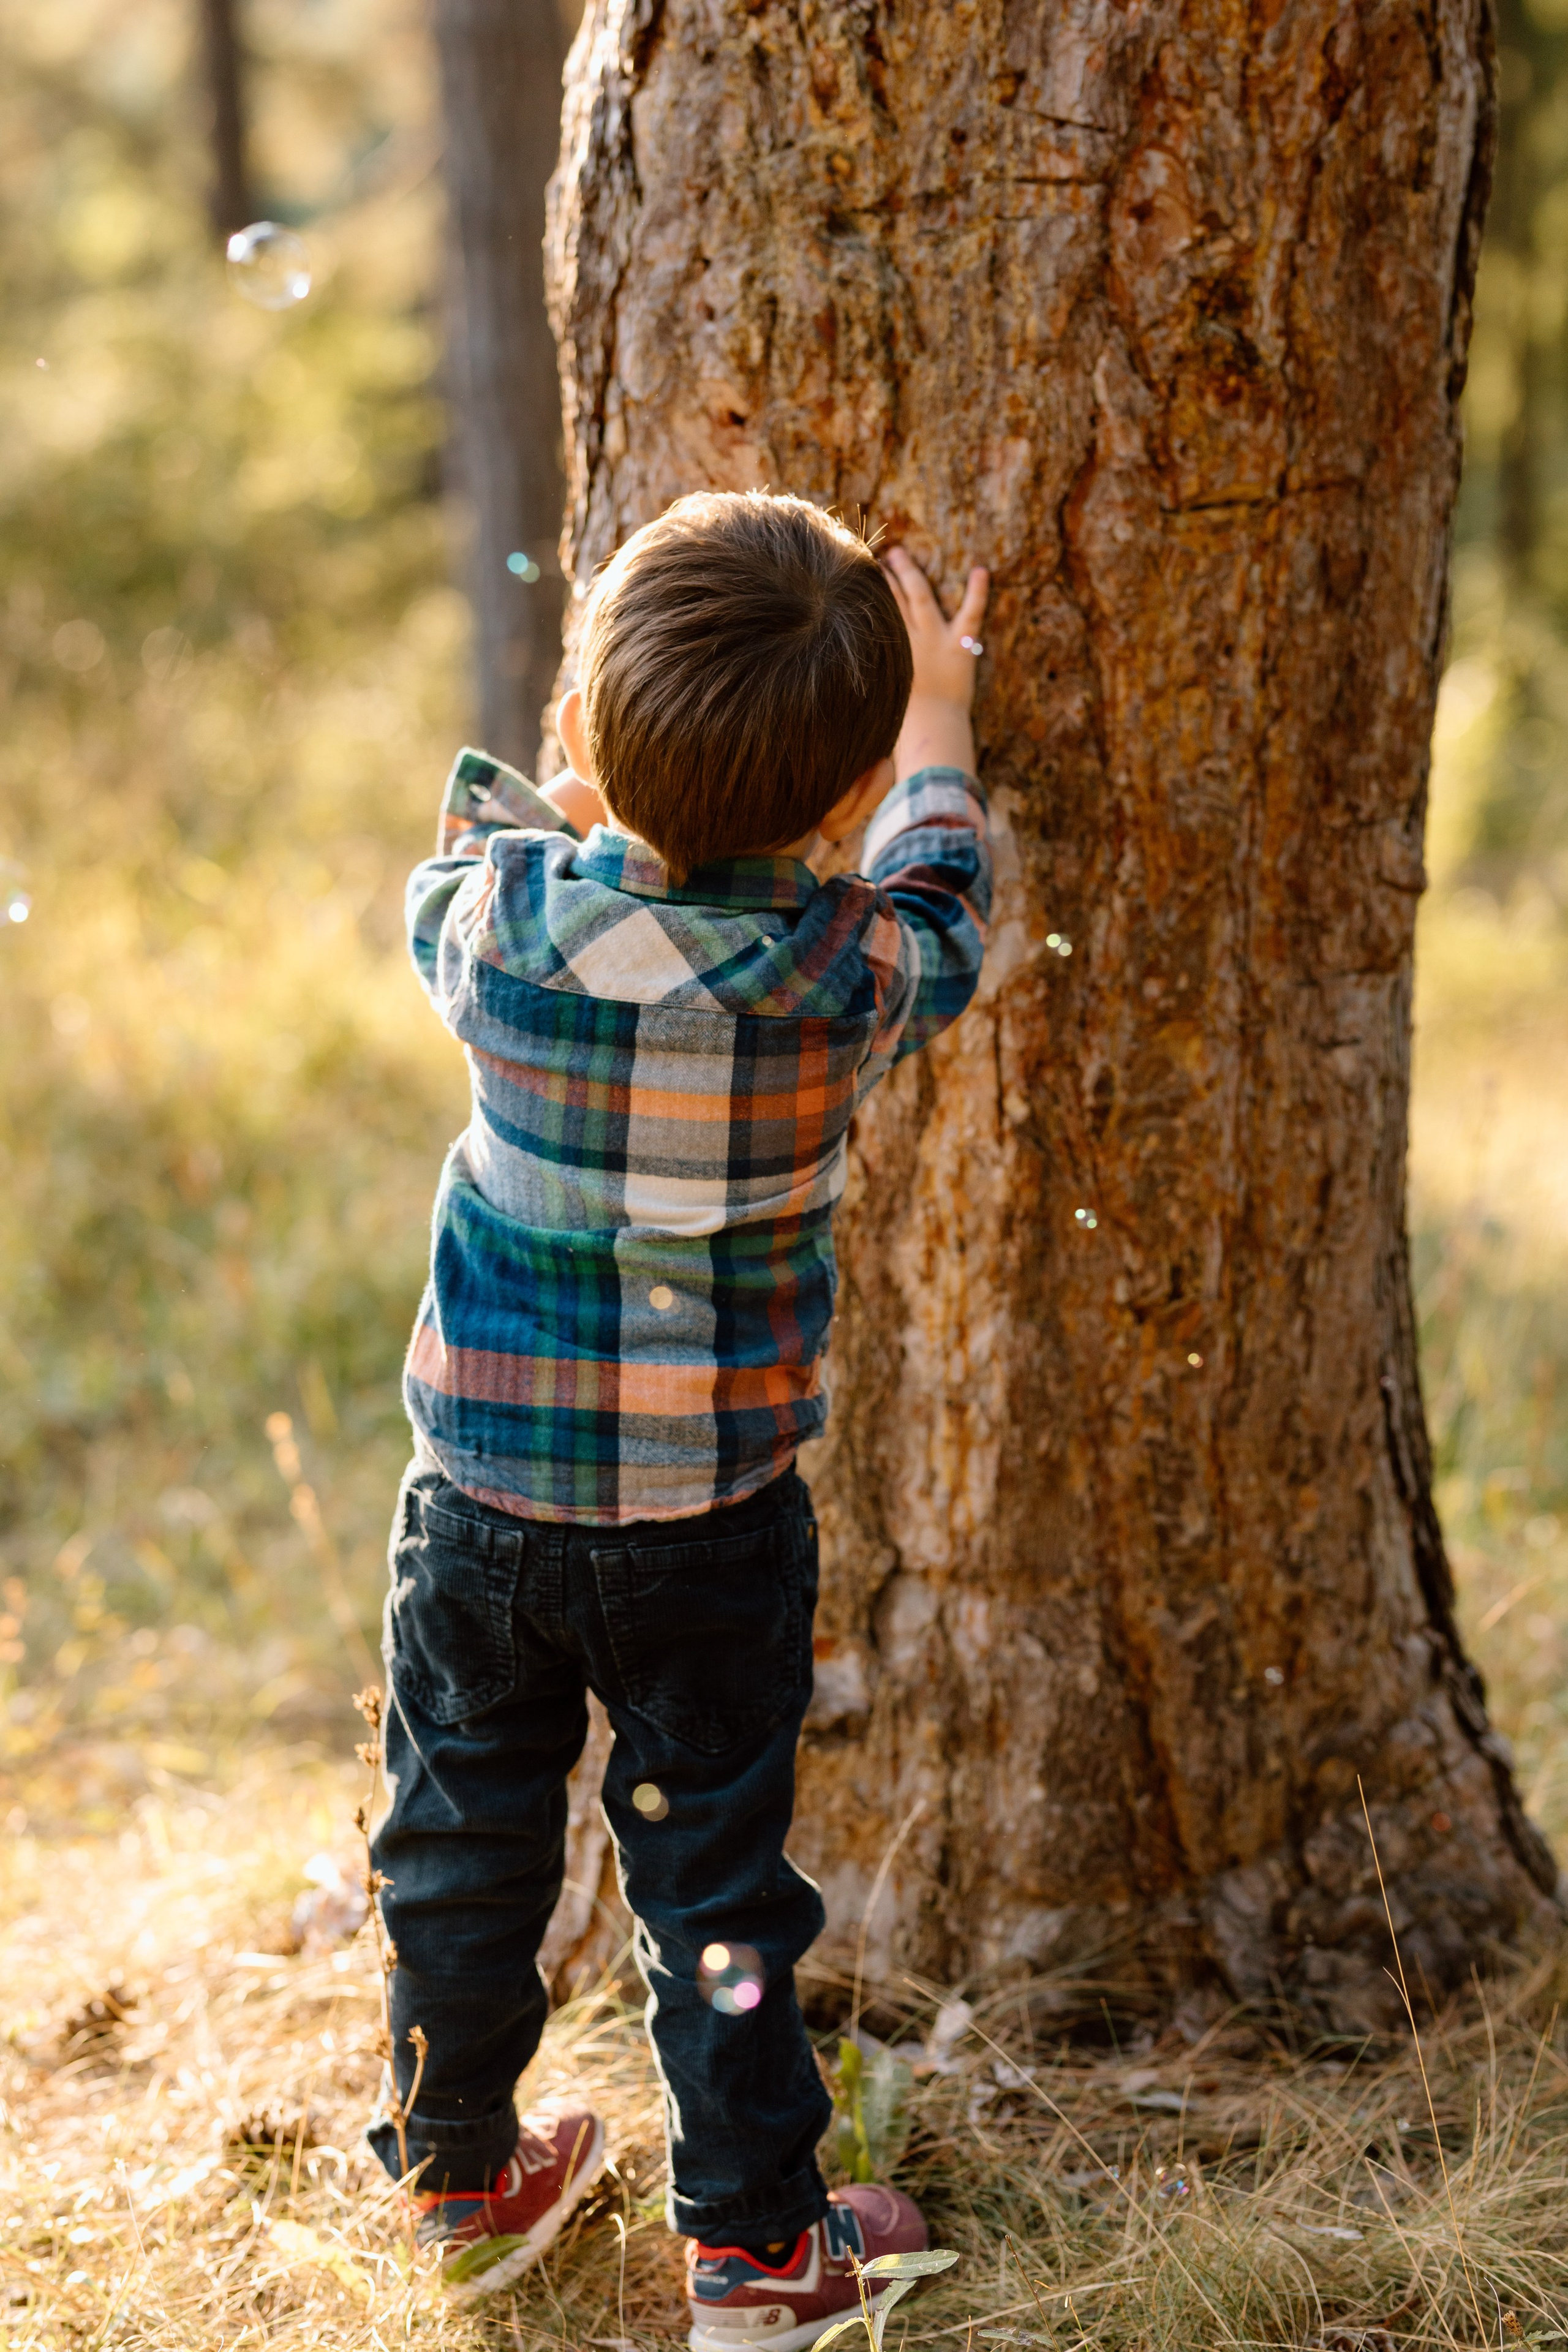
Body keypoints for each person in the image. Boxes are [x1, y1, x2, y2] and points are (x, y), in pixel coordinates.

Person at [371, 489, 990, 2349]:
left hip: (477, 1511)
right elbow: (949, 897)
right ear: (839, 800)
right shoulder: (848, 976)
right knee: (714, 1886)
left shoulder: (499, 925)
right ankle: (756, 2252)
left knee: (459, 1841)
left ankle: (458, 2174)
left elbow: (468, 847)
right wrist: (936, 725)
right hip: (709, 1531)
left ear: (583, 725)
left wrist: (567, 793)